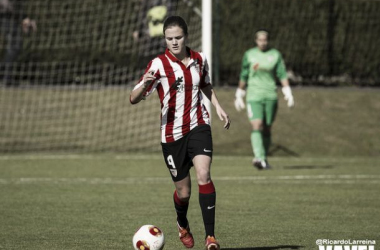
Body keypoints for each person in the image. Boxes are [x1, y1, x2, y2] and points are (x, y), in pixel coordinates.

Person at [130, 16, 230, 250]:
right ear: (164, 38)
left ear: (186, 36)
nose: (174, 42)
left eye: (178, 38)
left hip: (199, 125)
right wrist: (145, 84)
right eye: (169, 38)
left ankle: (211, 238)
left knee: (204, 174)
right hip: (172, 135)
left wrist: (217, 106)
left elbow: (205, 84)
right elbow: (133, 99)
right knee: (183, 193)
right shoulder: (158, 64)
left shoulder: (199, 59)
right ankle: (182, 223)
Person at [234, 29, 294, 170]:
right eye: (260, 40)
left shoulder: (275, 55)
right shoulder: (249, 55)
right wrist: (239, 92)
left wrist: (288, 91)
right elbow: (244, 74)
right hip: (254, 96)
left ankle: (263, 158)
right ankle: (258, 158)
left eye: (265, 40)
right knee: (257, 125)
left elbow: (281, 73)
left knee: (267, 128)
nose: (263, 42)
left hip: (271, 96)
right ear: (256, 40)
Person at [0, 0, 36, 85]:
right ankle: (7, 78)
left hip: (7, 21)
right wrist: (25, 19)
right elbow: (8, 6)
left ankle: (7, 77)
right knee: (14, 47)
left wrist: (25, 20)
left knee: (14, 48)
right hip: (5, 21)